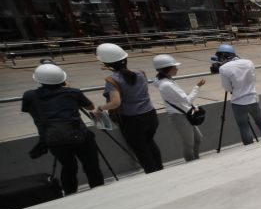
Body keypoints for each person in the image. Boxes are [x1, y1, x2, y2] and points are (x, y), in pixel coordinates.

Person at [21, 62, 104, 194]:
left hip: (54, 138)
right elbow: (90, 107)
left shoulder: (29, 96)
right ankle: (99, 190)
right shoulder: (73, 92)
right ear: (62, 79)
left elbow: (33, 113)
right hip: (80, 136)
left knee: (68, 167)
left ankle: (70, 193)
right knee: (91, 166)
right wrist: (68, 91)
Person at [95, 43, 163, 173]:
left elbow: (115, 102)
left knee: (141, 149)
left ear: (107, 64)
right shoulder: (140, 73)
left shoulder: (112, 80)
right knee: (150, 143)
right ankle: (160, 169)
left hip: (132, 120)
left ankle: (153, 174)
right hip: (150, 115)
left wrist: (99, 108)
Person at [214, 44, 261, 145]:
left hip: (238, 102)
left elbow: (227, 88)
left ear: (224, 56)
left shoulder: (223, 68)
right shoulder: (249, 62)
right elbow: (253, 79)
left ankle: (249, 149)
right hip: (253, 98)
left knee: (243, 126)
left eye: (220, 57)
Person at [153, 54, 204, 162]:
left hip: (183, 114)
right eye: (174, 67)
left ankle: (196, 160)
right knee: (189, 143)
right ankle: (192, 163)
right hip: (179, 117)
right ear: (167, 69)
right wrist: (197, 87)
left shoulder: (166, 81)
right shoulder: (167, 85)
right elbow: (187, 100)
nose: (177, 69)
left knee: (197, 139)